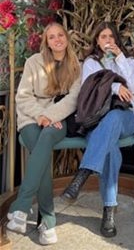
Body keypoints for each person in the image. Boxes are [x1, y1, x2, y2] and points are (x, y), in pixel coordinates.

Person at [61, 23, 134, 238]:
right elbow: (90, 87)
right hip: (97, 120)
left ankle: (82, 175)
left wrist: (119, 58)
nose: (107, 40)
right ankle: (109, 210)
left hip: (125, 116)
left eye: (111, 36)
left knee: (114, 118)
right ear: (97, 41)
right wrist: (116, 86)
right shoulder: (91, 62)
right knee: (109, 149)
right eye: (103, 36)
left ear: (117, 40)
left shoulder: (127, 61)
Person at [6, 23, 81, 246]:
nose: (57, 40)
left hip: (58, 118)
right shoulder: (33, 62)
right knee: (43, 155)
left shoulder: (75, 65)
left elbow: (73, 100)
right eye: (51, 37)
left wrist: (51, 116)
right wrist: (41, 115)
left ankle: (21, 206)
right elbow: (23, 97)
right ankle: (48, 219)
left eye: (60, 35)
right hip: (30, 118)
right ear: (46, 42)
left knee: (46, 138)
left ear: (66, 38)